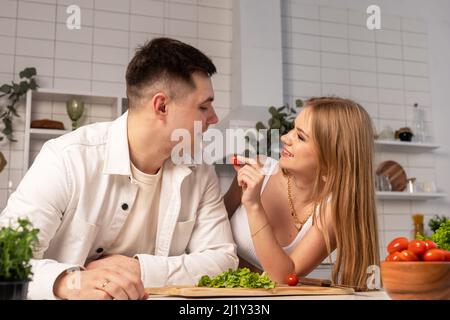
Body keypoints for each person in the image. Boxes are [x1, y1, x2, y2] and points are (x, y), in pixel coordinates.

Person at [0, 37, 238, 300]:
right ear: (162, 106)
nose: (214, 118)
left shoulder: (200, 171)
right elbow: (6, 262)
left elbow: (223, 260)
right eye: (203, 107)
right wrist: (68, 282)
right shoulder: (66, 159)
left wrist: (137, 269)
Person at [224, 97, 380, 291]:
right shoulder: (258, 169)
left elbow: (284, 276)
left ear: (331, 159)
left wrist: (254, 206)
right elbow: (209, 229)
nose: (284, 138)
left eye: (300, 137)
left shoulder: (334, 209)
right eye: (292, 129)